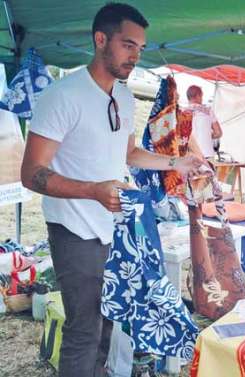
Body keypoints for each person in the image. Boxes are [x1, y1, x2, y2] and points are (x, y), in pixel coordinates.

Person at [20, 4, 203, 376]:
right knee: (84, 330)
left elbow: (129, 153)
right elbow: (31, 173)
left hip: (115, 229)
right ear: (100, 39)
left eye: (140, 48)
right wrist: (94, 191)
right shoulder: (63, 95)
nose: (135, 55)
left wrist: (176, 163)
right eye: (127, 45)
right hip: (75, 230)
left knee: (108, 322)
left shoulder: (123, 96)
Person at [186, 85, 223, 159]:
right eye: (201, 96)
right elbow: (218, 133)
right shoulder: (208, 111)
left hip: (189, 154)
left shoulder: (182, 112)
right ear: (198, 95)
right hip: (207, 153)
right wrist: (207, 135)